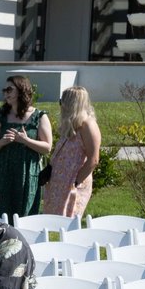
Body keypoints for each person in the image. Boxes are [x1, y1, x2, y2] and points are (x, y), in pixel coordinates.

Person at [0, 75, 53, 217]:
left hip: (27, 173)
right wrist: (2, 141)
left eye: (9, 89)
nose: (6, 93)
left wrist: (25, 140)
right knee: (2, 215)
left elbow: (47, 147)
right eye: (4, 90)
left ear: (21, 90)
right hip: (4, 172)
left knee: (25, 215)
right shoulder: (1, 116)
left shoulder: (39, 116)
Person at [42, 86, 100, 219]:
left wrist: (76, 182)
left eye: (63, 101)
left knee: (68, 220)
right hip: (59, 182)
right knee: (52, 222)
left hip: (73, 184)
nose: (61, 104)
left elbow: (94, 159)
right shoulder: (72, 124)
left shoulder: (88, 125)